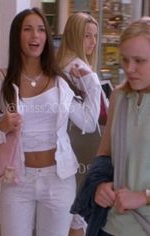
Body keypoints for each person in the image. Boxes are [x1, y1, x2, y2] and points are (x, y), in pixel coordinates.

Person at [0, 8, 101, 236]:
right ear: (17, 36)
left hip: (58, 179)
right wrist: (2, 125)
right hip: (17, 181)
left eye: (41, 30)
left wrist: (91, 82)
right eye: (28, 29)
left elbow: (88, 122)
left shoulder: (60, 80)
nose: (36, 36)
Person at [71, 16, 150, 236]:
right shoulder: (119, 97)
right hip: (111, 226)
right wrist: (100, 186)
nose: (129, 68)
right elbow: (105, 154)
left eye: (139, 61)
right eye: (125, 60)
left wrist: (144, 196)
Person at [56, 12, 103, 236]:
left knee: (73, 217)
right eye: (87, 36)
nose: (93, 42)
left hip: (66, 152)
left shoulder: (61, 64)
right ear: (75, 36)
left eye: (95, 36)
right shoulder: (76, 69)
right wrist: (93, 83)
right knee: (77, 218)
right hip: (73, 154)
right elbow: (90, 121)